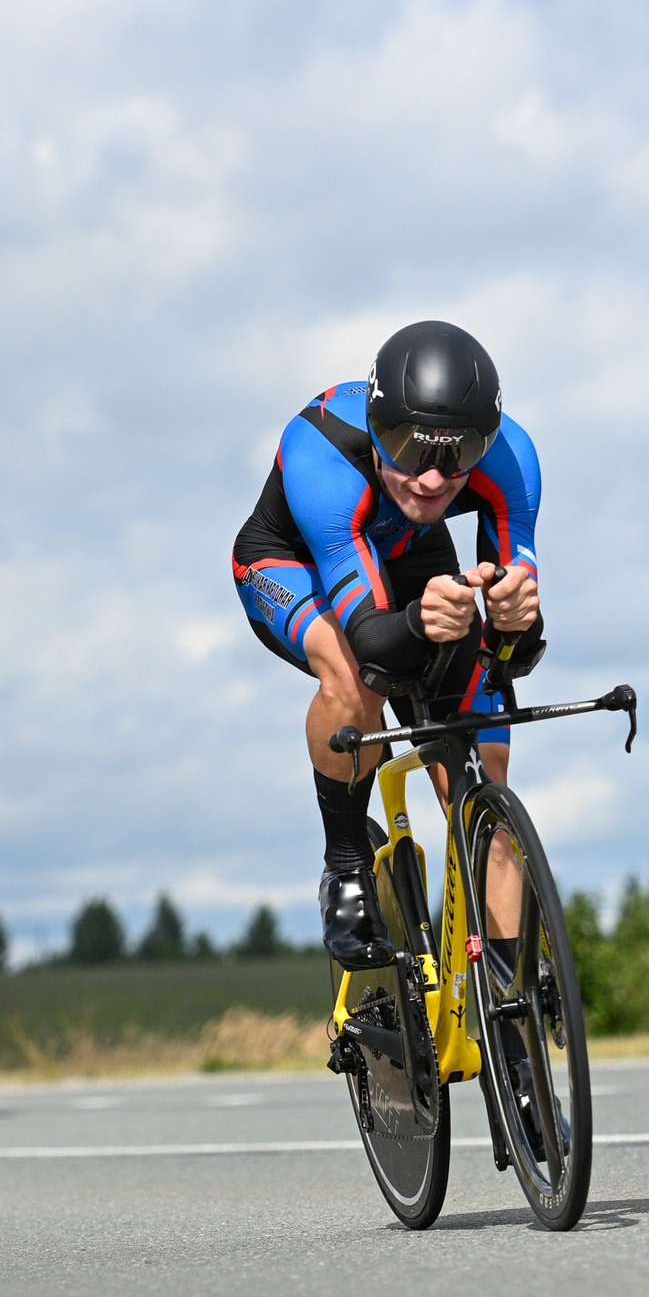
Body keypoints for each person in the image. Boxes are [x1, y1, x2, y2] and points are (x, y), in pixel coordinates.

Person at [230, 319, 543, 962]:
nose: (432, 479)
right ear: (376, 427)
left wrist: (516, 621)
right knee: (352, 680)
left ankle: (514, 1031)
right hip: (299, 562)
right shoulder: (323, 452)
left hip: (406, 553)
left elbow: (518, 657)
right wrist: (422, 624)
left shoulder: (511, 458)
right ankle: (345, 864)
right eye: (407, 448)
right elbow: (374, 643)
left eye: (458, 455)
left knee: (485, 785)